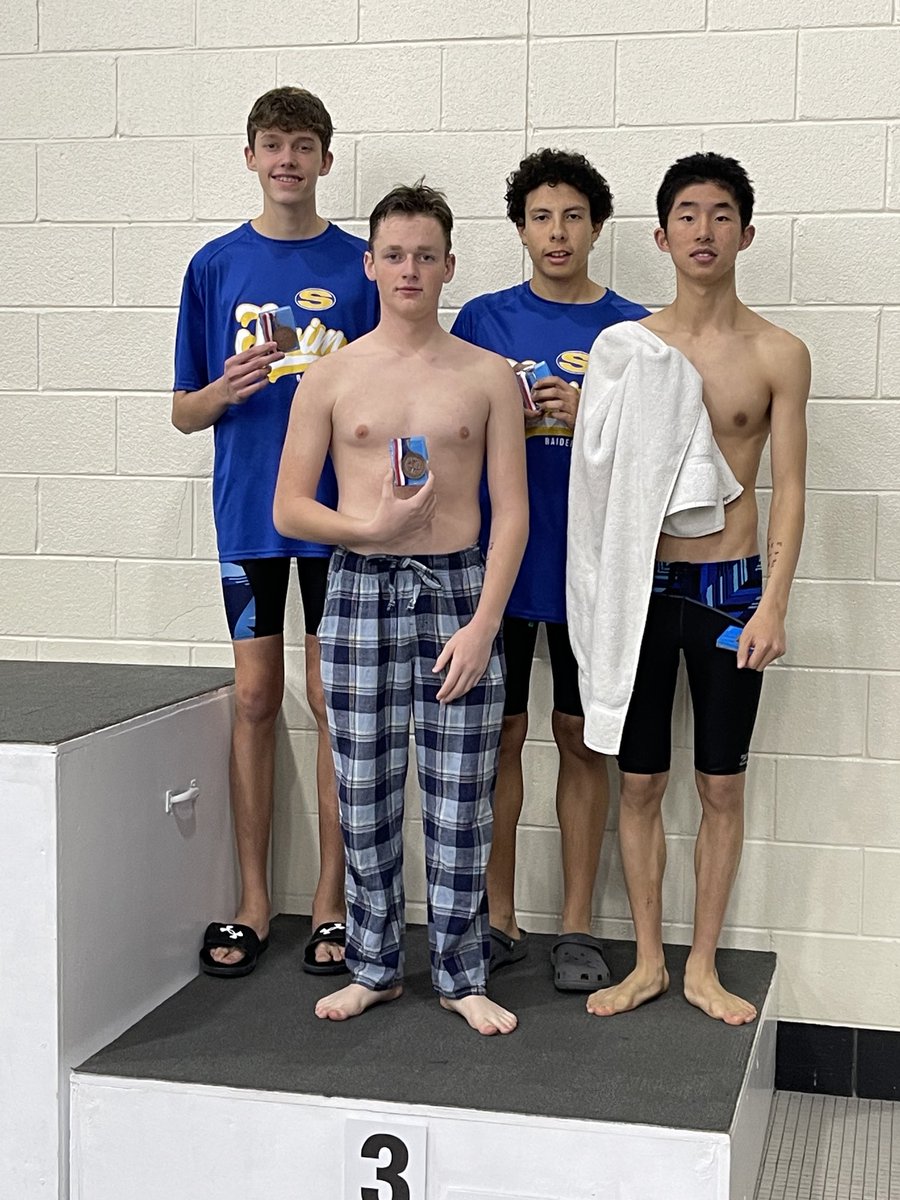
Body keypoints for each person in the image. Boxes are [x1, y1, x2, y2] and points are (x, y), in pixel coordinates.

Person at [273, 183, 529, 1035]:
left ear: (450, 265)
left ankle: (461, 972)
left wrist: (486, 621)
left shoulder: (486, 375)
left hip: (458, 591)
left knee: (461, 794)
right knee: (364, 786)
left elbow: (511, 511)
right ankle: (375, 964)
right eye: (395, 253)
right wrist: (367, 525)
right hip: (358, 591)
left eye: (427, 255)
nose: (410, 269)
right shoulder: (333, 375)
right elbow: (288, 509)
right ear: (370, 263)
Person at [569, 152, 809, 1024]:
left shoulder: (779, 353)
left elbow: (789, 488)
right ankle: (646, 962)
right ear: (662, 233)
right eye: (686, 214)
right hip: (641, 588)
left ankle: (702, 964)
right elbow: (596, 486)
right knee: (637, 782)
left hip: (730, 590)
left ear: (745, 233)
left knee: (720, 786)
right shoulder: (628, 351)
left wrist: (774, 602)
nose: (702, 231)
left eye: (719, 216)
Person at [172, 86, 378, 978]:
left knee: (336, 704)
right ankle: (256, 902)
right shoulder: (214, 266)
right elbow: (185, 411)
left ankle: (332, 907)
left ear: (327, 160)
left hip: (340, 522)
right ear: (249, 157)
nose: (288, 159)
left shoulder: (365, 265)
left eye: (304, 145)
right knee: (255, 700)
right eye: (272, 144)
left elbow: (394, 388)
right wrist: (228, 389)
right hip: (248, 517)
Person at [452, 150, 647, 990]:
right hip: (497, 566)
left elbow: (666, 459)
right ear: (521, 229)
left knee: (578, 738)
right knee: (498, 737)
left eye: (572, 216)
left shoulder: (637, 332)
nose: (557, 232)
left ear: (596, 227)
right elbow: (446, 429)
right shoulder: (484, 320)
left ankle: (577, 926)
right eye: (541, 217)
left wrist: (596, 416)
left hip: (589, 572)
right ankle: (497, 917)